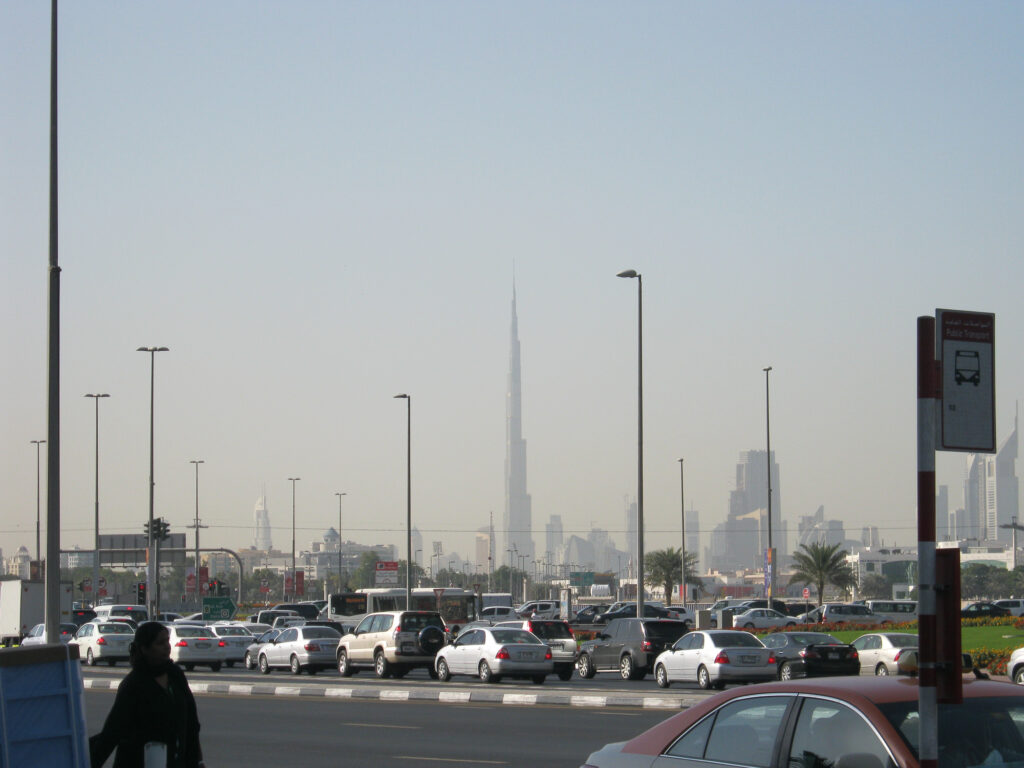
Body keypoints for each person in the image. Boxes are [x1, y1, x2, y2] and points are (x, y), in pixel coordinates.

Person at [90, 621, 206, 768]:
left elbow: (191, 724)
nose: (167, 646)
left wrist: (199, 761)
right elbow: (112, 732)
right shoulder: (133, 685)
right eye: (160, 643)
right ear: (144, 649)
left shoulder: (175, 675)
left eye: (167, 641)